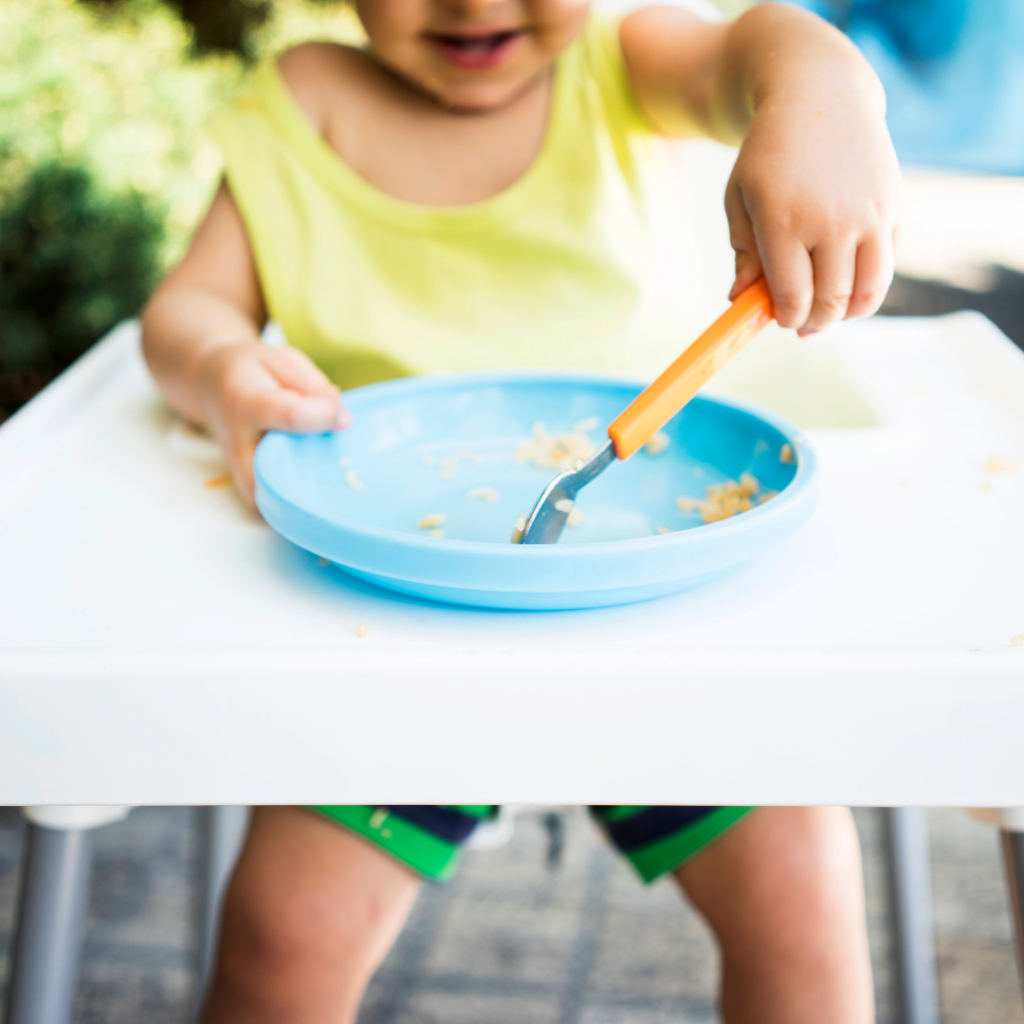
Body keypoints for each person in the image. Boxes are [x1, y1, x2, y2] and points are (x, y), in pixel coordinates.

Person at [142, 1, 899, 1020]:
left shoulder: (618, 64)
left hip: (658, 613)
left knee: (803, 885)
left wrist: (827, 100)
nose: (473, 3)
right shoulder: (301, 106)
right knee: (286, 928)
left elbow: (751, 52)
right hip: (391, 622)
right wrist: (223, 366)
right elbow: (185, 310)